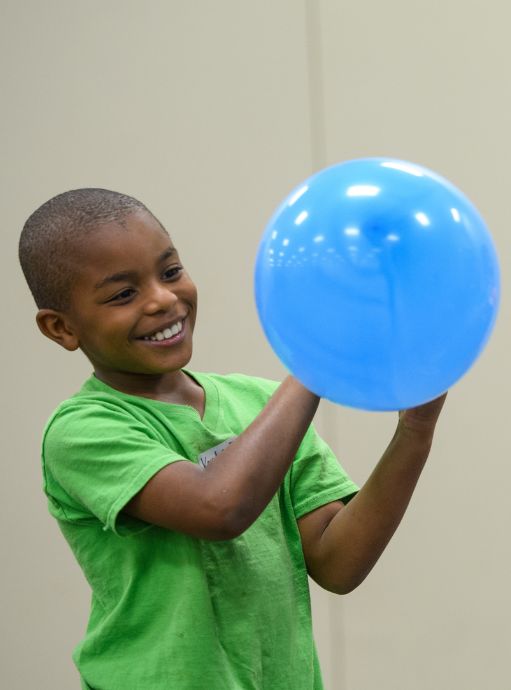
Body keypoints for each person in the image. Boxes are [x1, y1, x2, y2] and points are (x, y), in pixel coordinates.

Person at [18, 188, 445, 689]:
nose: (162, 299)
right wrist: (314, 357)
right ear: (61, 328)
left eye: (171, 271)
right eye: (122, 294)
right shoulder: (81, 430)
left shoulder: (263, 405)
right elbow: (220, 508)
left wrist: (415, 431)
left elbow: (338, 564)